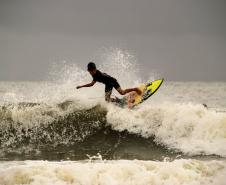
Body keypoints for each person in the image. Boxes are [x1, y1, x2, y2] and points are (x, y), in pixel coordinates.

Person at [76, 62, 141, 102]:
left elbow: (102, 76)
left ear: (95, 69)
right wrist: (112, 78)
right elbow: (104, 74)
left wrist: (81, 86)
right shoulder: (95, 74)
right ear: (88, 71)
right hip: (112, 81)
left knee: (107, 99)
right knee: (122, 92)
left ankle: (118, 100)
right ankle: (135, 89)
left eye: (93, 71)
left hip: (109, 83)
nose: (92, 72)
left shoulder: (97, 75)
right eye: (91, 71)